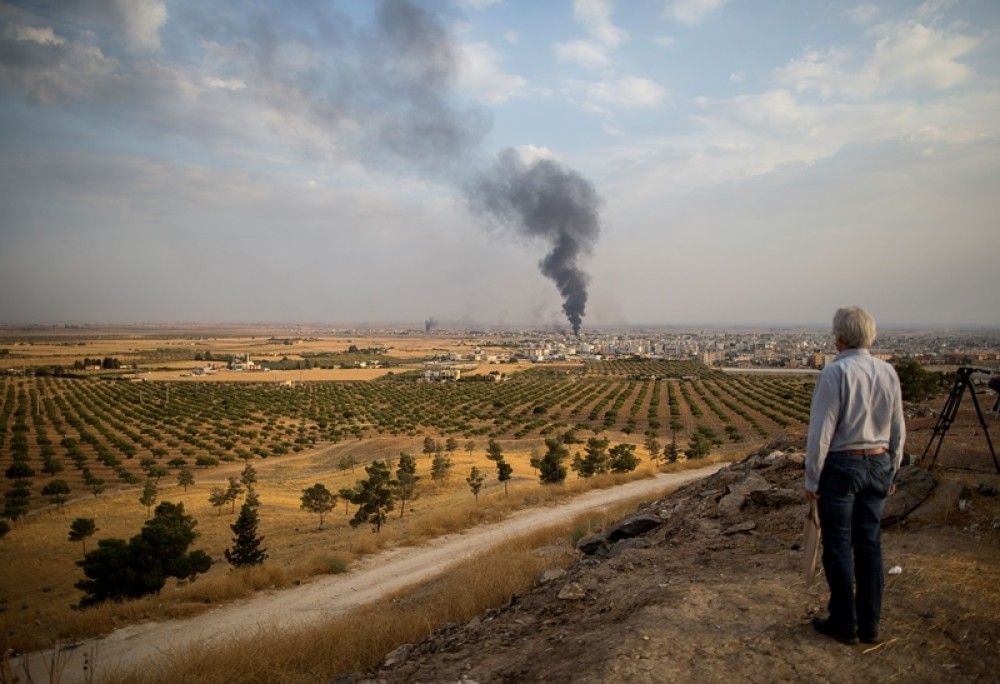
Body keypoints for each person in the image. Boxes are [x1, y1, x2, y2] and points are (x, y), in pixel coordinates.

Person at [804, 306, 904, 645]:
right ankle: (870, 625)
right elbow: (898, 429)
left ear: (840, 338)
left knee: (837, 545)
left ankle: (844, 622)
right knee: (870, 544)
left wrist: (811, 480)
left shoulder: (835, 373)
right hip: (878, 462)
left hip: (842, 467)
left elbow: (821, 433)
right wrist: (893, 468)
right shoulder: (888, 372)